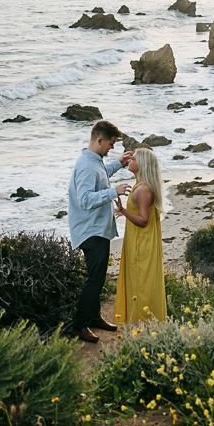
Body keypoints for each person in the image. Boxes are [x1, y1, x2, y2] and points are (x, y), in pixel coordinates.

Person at [68, 120, 133, 343]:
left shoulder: (93, 161)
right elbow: (85, 200)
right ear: (99, 140)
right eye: (112, 143)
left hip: (97, 229)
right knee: (94, 280)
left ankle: (94, 317)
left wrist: (119, 163)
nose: (112, 147)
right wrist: (113, 191)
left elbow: (101, 174)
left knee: (98, 277)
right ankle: (79, 325)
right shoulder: (86, 165)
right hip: (90, 230)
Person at [113, 147, 167, 326]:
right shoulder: (140, 186)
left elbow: (143, 220)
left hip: (141, 244)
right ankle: (140, 320)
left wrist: (123, 211)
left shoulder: (143, 190)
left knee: (141, 281)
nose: (130, 160)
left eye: (133, 159)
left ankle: (142, 322)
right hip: (139, 241)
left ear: (142, 164)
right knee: (140, 280)